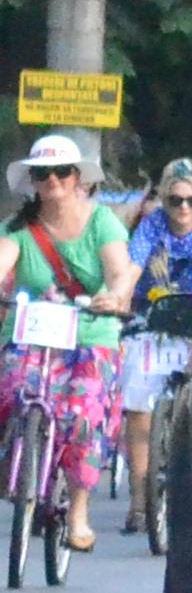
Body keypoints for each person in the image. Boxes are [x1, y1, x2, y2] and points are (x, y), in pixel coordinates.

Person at [0, 131, 135, 551]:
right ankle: (16, 460)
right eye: (44, 173)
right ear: (33, 181)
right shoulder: (17, 227)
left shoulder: (102, 222)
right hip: (32, 333)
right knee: (12, 387)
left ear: (79, 177)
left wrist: (114, 296)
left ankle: (78, 512)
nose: (54, 180)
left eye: (62, 172)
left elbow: (119, 271)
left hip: (91, 334)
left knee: (82, 413)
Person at [121, 154, 192, 509]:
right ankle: (139, 498)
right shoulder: (152, 226)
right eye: (175, 200)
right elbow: (132, 267)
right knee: (139, 404)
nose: (183, 208)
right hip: (152, 319)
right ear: (164, 199)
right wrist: (118, 297)